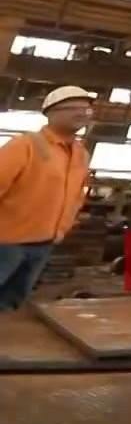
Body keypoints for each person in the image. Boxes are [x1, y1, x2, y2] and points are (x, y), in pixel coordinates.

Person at [0, 87, 94, 310]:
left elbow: (76, 196)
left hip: (44, 243)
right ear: (50, 112)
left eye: (87, 109)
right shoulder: (25, 145)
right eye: (73, 107)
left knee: (11, 301)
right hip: (6, 241)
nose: (82, 113)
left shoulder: (81, 154)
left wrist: (62, 228)